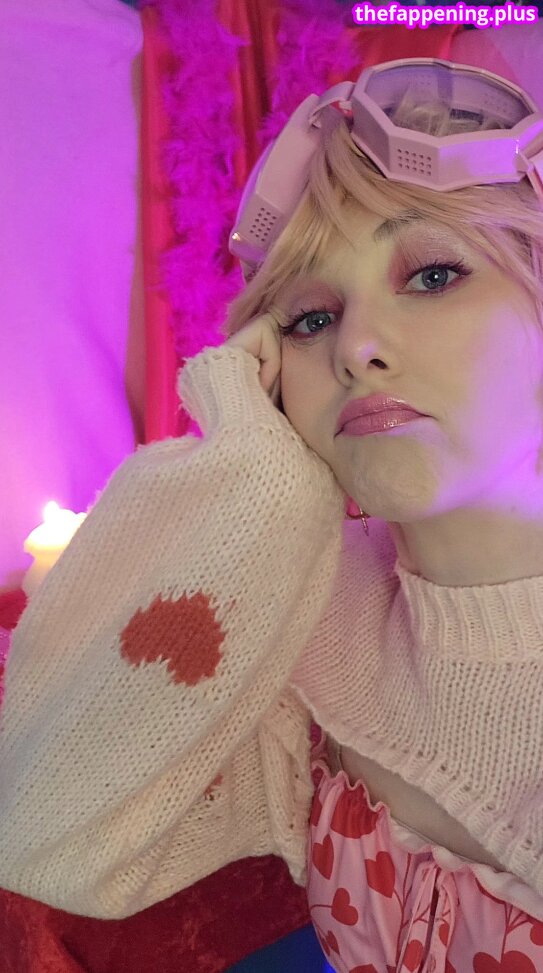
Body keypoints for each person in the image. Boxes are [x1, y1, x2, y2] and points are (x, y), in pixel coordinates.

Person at [2, 57, 543, 970]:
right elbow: (44, 834)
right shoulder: (312, 618)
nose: (355, 346)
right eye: (309, 319)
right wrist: (259, 470)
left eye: (433, 273)